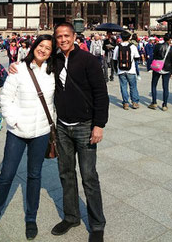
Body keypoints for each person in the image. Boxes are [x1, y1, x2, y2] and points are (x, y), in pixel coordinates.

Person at [0, 35, 56, 241]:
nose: (43, 50)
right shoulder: (19, 69)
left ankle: (31, 217)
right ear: (33, 47)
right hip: (17, 131)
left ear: (52, 52)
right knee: (7, 174)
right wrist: (13, 120)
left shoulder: (53, 72)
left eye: (48, 48)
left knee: (34, 175)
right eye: (40, 46)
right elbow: (5, 97)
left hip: (41, 131)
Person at [52, 23, 108, 242]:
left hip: (85, 125)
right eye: (59, 36)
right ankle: (71, 216)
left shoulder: (88, 60)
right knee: (66, 173)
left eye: (66, 35)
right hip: (62, 126)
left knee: (89, 176)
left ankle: (96, 225)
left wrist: (99, 124)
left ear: (74, 36)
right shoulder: (54, 60)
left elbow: (100, 94)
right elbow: (34, 64)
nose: (63, 39)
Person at [148, 33, 172, 111]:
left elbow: (154, 56)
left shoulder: (157, 46)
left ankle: (154, 102)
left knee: (154, 85)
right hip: (167, 68)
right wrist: (171, 71)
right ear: (170, 39)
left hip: (157, 67)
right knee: (165, 87)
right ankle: (165, 104)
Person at [113, 30, 140, 110]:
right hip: (131, 70)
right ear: (129, 38)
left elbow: (114, 59)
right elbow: (137, 58)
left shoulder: (118, 46)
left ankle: (125, 103)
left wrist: (116, 70)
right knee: (133, 86)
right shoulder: (133, 46)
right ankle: (135, 102)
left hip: (121, 70)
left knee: (123, 86)